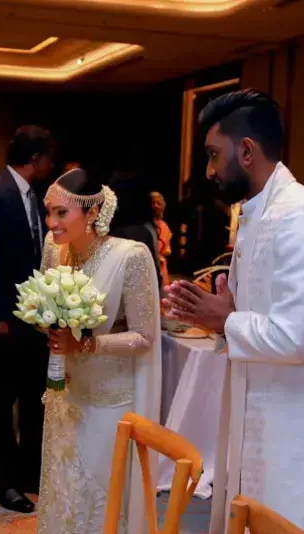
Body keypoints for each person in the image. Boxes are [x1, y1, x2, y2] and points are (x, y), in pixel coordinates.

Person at [163, 89, 304, 531]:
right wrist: (225, 316)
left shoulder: (296, 216)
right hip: (255, 409)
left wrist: (226, 320)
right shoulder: (257, 212)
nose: (208, 171)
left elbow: (296, 335)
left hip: (289, 421)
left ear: (246, 151)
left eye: (212, 154)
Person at [38, 168, 161, 533]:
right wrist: (46, 322)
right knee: (63, 491)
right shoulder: (53, 248)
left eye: (62, 213)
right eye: (48, 212)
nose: (51, 222)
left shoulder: (130, 256)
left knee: (99, 496)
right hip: (64, 393)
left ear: (92, 213)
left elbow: (145, 337)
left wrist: (87, 343)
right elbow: (44, 307)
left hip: (108, 400)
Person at [0, 125, 54, 513]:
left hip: (35, 318)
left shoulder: (34, 196)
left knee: (35, 398)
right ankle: (5, 482)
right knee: (2, 403)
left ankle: (31, 472)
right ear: (35, 158)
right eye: (49, 158)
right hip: (4, 319)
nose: (51, 165)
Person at [150, 191, 172, 287]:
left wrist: (162, 253)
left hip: (161, 267)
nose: (155, 206)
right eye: (153, 203)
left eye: (158, 203)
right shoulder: (143, 226)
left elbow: (168, 249)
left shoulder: (164, 226)